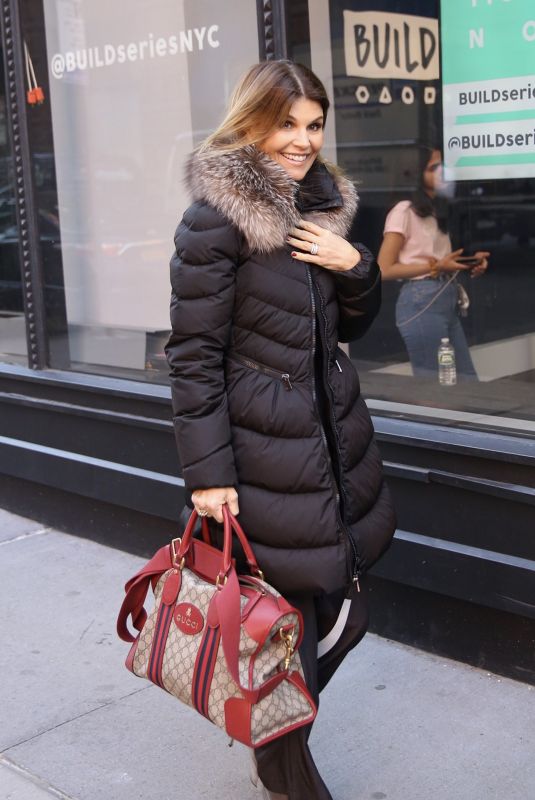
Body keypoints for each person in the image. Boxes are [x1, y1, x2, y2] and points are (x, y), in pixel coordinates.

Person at [165, 60, 396, 800]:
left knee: (345, 614)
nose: (301, 140)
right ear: (250, 121)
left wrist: (352, 263)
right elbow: (192, 357)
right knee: (283, 625)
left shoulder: (320, 206)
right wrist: (208, 476)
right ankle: (286, 768)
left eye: (313, 124)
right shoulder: (215, 219)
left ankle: (274, 733)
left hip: (328, 443)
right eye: (285, 123)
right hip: (261, 454)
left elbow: (351, 325)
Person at [377, 146, 489, 380]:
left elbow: (439, 257)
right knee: (436, 382)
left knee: (466, 379)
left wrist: (469, 263)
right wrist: (437, 267)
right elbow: (384, 269)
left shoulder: (436, 207)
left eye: (442, 165)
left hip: (445, 296)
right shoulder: (403, 211)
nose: (441, 172)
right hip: (421, 299)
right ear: (414, 173)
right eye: (433, 167)